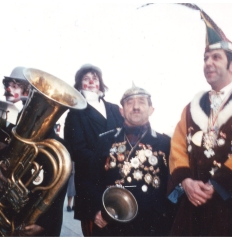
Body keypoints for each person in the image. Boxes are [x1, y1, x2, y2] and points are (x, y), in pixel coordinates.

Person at [167, 5, 232, 236]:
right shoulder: (191, 108)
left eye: (216, 57)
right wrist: (185, 181)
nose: (208, 62)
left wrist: (219, 184)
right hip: (193, 208)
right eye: (205, 57)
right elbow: (177, 148)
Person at [86, 84, 174, 236]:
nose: (136, 107)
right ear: (121, 111)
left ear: (151, 109)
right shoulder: (105, 140)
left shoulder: (166, 143)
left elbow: (172, 189)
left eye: (141, 102)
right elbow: (90, 181)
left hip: (150, 227)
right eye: (129, 102)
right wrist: (95, 211)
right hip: (111, 224)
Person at [0, 66, 70, 236]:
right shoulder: (9, 131)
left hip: (30, 223)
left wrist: (45, 224)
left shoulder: (57, 147)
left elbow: (56, 193)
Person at [64, 63, 124, 236]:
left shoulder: (114, 108)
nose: (91, 82)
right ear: (79, 85)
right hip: (91, 187)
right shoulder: (74, 113)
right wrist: (106, 160)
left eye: (95, 78)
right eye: (86, 79)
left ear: (101, 83)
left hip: (119, 182)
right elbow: (77, 151)